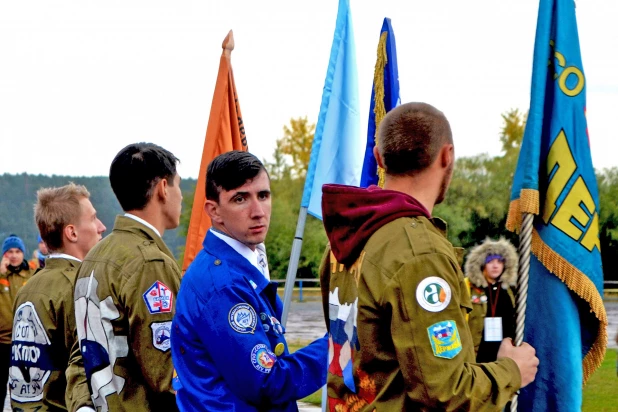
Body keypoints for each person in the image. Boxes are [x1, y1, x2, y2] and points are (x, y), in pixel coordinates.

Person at [319, 102, 539, 411]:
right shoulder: (419, 253)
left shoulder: (343, 242)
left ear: (379, 158)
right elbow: (446, 392)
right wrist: (511, 370)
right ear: (447, 156)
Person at [171, 151, 327, 411]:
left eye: (263, 196)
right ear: (214, 211)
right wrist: (333, 347)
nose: (258, 212)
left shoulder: (238, 264)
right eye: (240, 199)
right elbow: (267, 383)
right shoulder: (223, 285)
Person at [68, 143, 183, 411]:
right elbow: (167, 375)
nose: (181, 196)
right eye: (177, 185)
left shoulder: (95, 256)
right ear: (163, 189)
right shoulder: (149, 262)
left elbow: (79, 355)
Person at [10, 183, 106, 411]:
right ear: (71, 232)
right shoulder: (81, 288)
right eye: (93, 219)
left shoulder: (27, 288)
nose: (101, 226)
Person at [464, 237, 518, 362]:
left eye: (499, 262)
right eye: (490, 261)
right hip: (477, 353)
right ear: (482, 264)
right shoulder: (468, 287)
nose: (495, 266)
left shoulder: (510, 290)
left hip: (503, 354)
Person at [0, 234, 34, 405]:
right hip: (2, 341)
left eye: (17, 251)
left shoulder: (31, 274)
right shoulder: (1, 275)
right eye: (9, 252)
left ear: (23, 253)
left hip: (24, 341)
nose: (14, 255)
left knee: (24, 387)